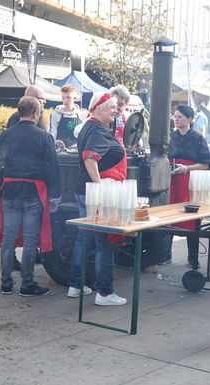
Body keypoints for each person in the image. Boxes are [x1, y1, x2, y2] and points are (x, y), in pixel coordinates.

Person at [0, 96, 61, 297]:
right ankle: (27, 284)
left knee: (8, 239)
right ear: (35, 113)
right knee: (31, 240)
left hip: (10, 192)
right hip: (33, 194)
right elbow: (52, 168)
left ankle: (6, 283)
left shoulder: (5, 136)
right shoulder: (44, 137)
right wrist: (54, 196)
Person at [68, 91, 128, 306]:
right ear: (99, 108)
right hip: (95, 193)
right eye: (111, 106)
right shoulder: (97, 129)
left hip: (84, 189)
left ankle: (76, 285)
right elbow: (90, 157)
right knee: (104, 242)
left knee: (84, 238)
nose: (115, 110)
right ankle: (104, 293)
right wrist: (100, 185)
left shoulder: (89, 125)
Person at [166, 105, 210, 270]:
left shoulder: (198, 138)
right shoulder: (171, 136)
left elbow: (205, 164)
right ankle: (165, 255)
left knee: (192, 219)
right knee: (169, 217)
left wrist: (186, 168)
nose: (176, 119)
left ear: (190, 119)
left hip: (189, 182)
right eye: (175, 116)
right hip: (172, 181)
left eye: (179, 117)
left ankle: (193, 258)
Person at [48, 83, 84, 151]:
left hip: (76, 152)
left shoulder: (82, 115)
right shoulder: (55, 114)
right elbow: (51, 135)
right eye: (63, 97)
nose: (65, 100)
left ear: (75, 98)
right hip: (59, 152)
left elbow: (84, 137)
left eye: (68, 97)